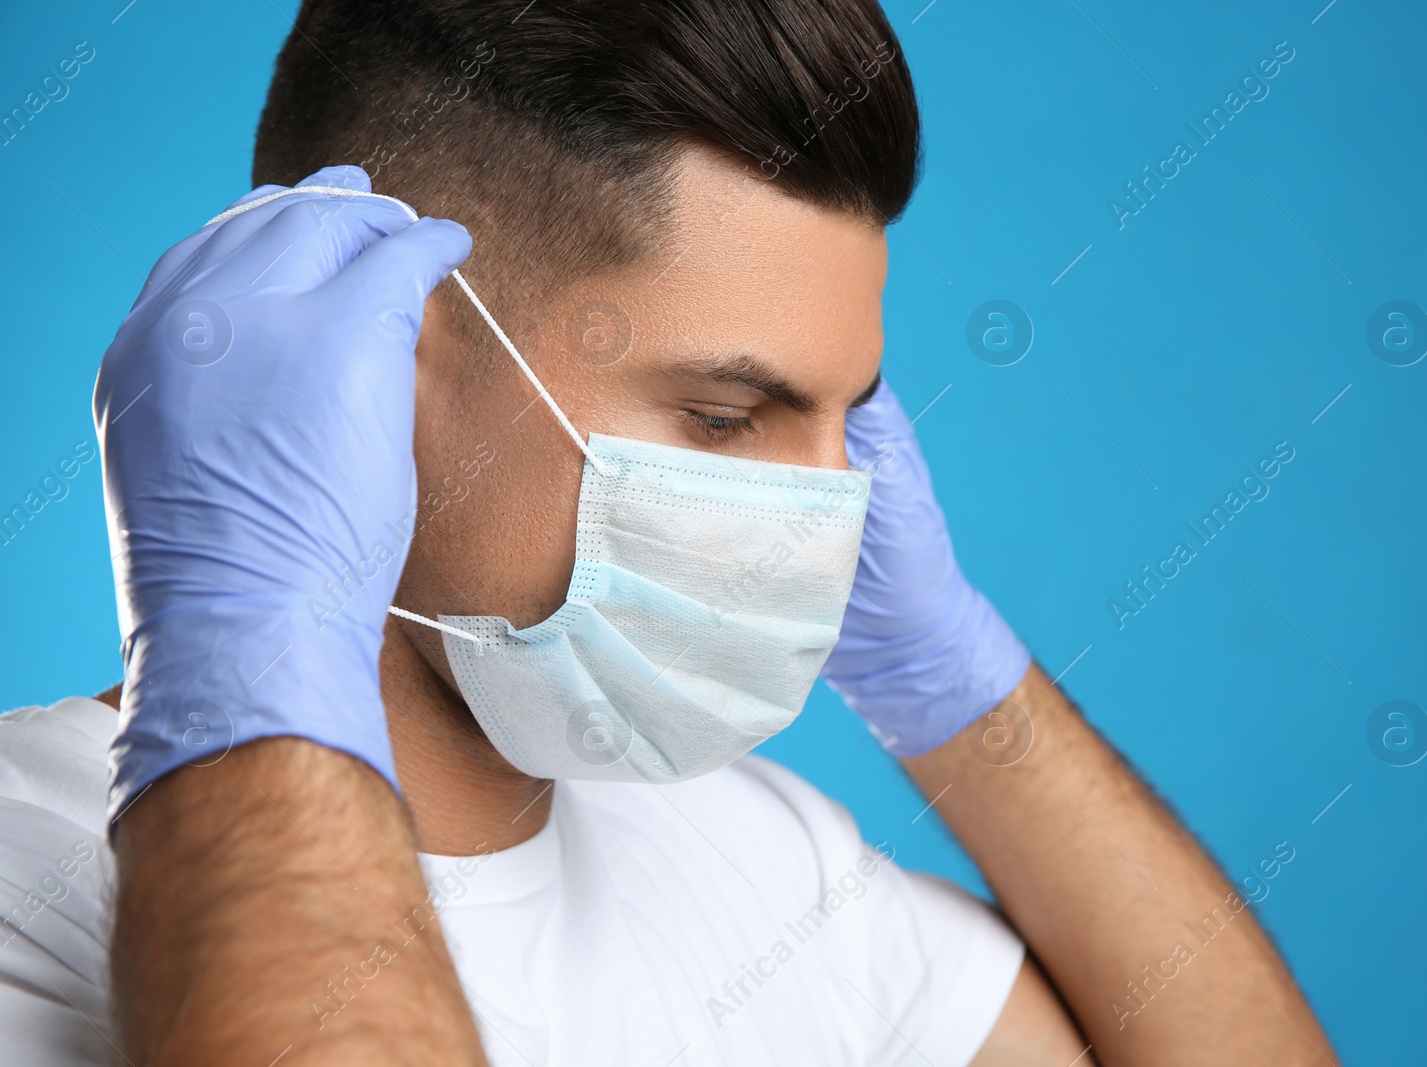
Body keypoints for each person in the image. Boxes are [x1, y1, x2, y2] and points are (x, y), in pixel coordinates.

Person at [0, 1, 1339, 1064]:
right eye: (726, 415)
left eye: (852, 422)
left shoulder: (761, 862)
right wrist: (247, 638)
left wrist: (952, 685)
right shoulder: (21, 872)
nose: (834, 503)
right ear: (381, 363)